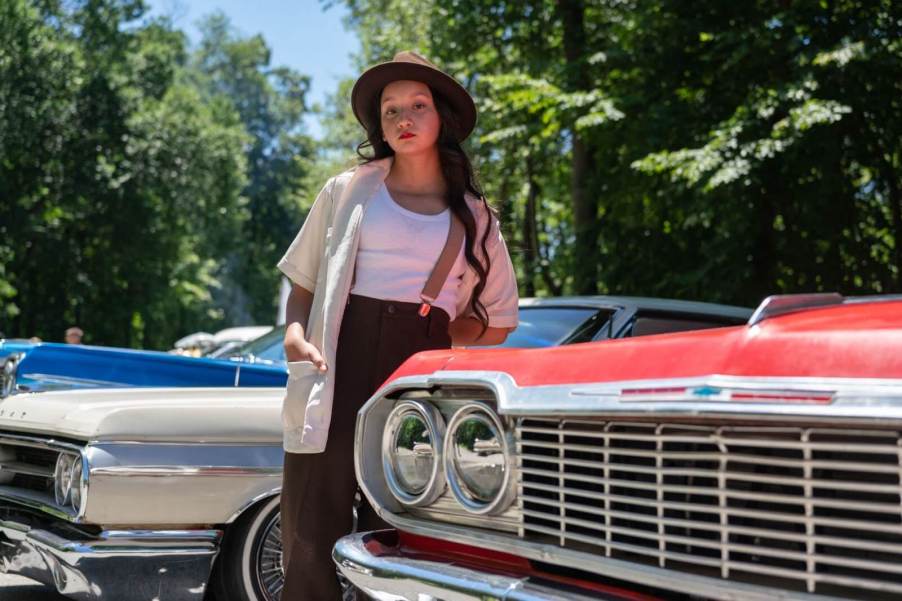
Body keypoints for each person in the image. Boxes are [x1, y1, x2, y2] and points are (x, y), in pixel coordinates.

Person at [276, 51, 520, 599]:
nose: (403, 119)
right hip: (335, 365)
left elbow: (499, 320)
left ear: (443, 120)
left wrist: (431, 335)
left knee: (407, 527)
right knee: (312, 530)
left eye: (417, 106)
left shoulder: (476, 217)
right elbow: (304, 286)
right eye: (390, 111)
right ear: (378, 126)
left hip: (420, 379)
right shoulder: (346, 191)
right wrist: (295, 336)